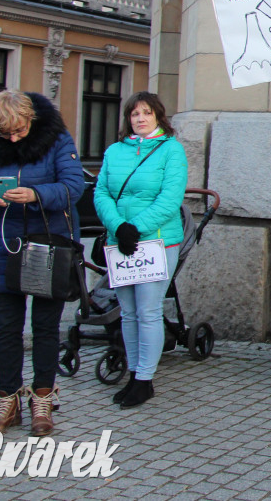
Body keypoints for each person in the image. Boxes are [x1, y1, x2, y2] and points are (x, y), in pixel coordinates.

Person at [0, 91, 84, 437]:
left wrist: (37, 194)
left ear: (31, 120)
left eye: (19, 131)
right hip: (4, 247)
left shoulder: (57, 139)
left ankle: (42, 398)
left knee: (46, 329)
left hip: (49, 245)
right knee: (8, 331)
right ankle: (8, 401)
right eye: (6, 134)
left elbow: (74, 186)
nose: (13, 138)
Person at [94, 92, 188, 409]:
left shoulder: (171, 151)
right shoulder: (114, 151)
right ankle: (133, 372)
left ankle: (145, 379)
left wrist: (136, 227)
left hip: (156, 241)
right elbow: (102, 193)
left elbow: (170, 198)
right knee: (129, 313)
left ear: (159, 117)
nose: (140, 118)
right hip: (119, 242)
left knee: (148, 311)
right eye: (135, 114)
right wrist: (119, 226)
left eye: (147, 113)